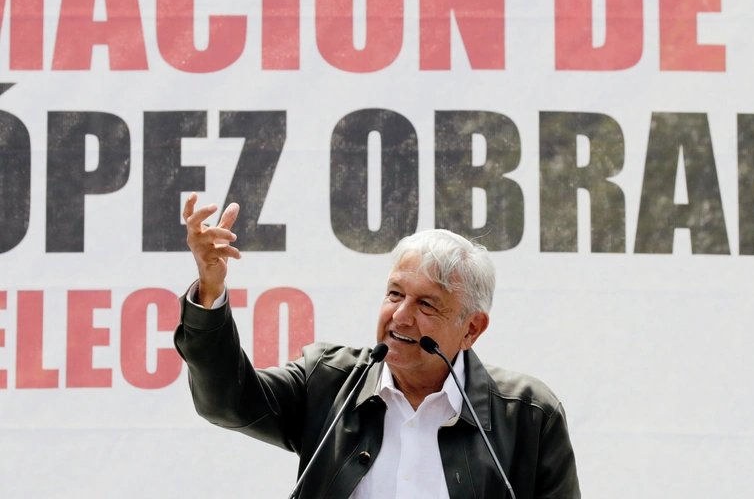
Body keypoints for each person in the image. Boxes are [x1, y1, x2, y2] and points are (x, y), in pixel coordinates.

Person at [174, 193, 581, 499]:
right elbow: (225, 402)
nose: (401, 316)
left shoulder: (528, 415)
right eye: (394, 294)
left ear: (471, 328)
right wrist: (210, 290)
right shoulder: (327, 383)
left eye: (426, 304)